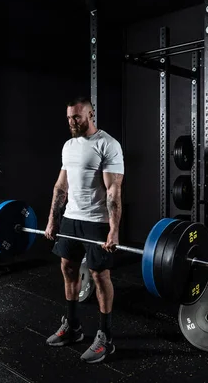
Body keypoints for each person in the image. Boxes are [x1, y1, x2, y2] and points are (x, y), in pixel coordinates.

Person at [43, 96, 125, 364]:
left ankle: (106, 336)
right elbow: (60, 187)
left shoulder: (108, 144)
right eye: (68, 117)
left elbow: (113, 191)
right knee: (68, 268)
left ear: (90, 114)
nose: (71, 122)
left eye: (76, 117)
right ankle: (73, 327)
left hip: (97, 221)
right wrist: (52, 221)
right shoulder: (68, 146)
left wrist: (113, 230)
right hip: (71, 218)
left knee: (100, 276)